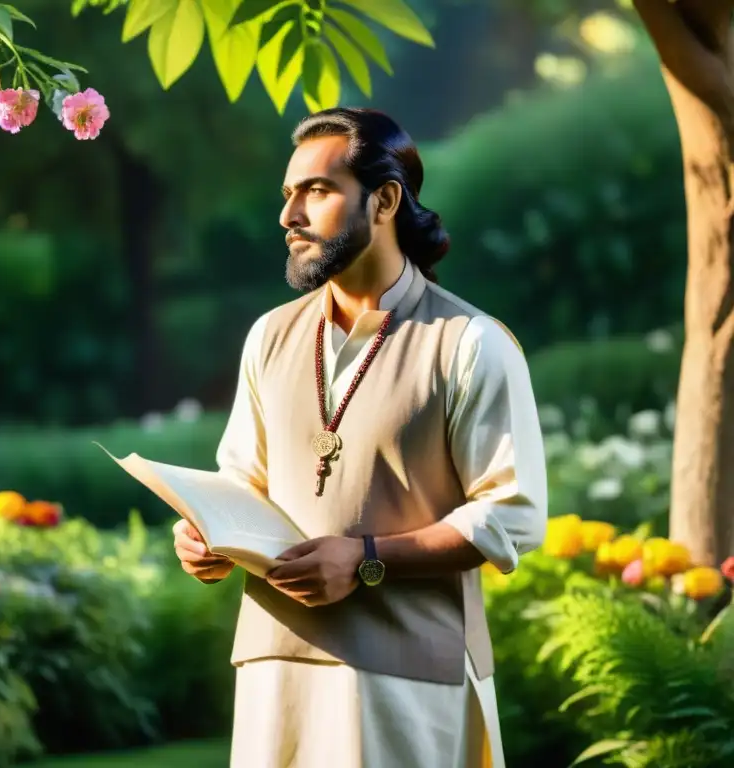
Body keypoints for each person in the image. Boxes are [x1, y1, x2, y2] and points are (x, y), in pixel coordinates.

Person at [172, 107, 548, 768]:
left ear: (385, 200)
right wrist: (208, 536)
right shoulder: (268, 336)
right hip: (275, 671)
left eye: (316, 191)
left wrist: (367, 557)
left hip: (410, 679)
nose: (289, 216)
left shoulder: (470, 343)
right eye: (288, 195)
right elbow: (241, 480)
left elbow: (513, 516)